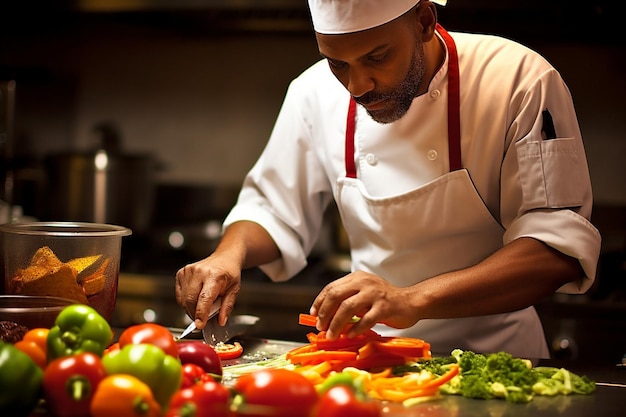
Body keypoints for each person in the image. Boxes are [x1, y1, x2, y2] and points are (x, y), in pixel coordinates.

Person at [175, 0, 601, 358]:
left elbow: (553, 249)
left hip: (500, 360)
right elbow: (270, 210)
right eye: (337, 63)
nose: (358, 86)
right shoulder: (313, 91)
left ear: (424, 22)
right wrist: (228, 256)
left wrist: (409, 299)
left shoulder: (517, 79)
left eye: (377, 57)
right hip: (370, 359)